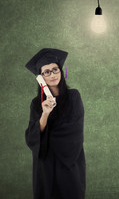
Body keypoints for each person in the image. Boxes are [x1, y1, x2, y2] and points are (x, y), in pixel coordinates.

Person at [25, 48, 86, 199]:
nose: (52, 74)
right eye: (46, 72)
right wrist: (45, 113)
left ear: (61, 71)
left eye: (55, 69)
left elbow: (74, 131)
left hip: (69, 161)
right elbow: (32, 137)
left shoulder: (73, 97)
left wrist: (47, 134)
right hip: (45, 164)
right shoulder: (36, 104)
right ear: (41, 77)